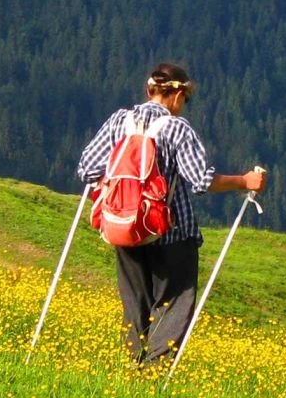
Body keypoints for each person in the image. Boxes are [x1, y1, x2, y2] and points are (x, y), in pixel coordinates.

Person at [77, 63, 266, 364]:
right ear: (178, 96)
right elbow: (201, 181)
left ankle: (131, 368)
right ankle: (153, 375)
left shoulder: (119, 121)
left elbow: (87, 169)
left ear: (149, 90)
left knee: (134, 304)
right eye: (186, 100)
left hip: (124, 228)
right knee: (173, 304)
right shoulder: (177, 128)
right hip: (171, 233)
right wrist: (244, 181)